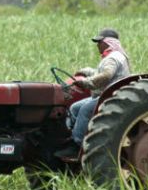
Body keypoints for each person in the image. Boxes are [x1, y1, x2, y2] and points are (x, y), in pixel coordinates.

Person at [55, 28, 131, 159]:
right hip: (106, 95)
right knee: (75, 107)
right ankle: (69, 137)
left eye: (99, 42)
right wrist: (86, 71)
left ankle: (76, 144)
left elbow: (106, 75)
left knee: (85, 110)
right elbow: (101, 72)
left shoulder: (113, 58)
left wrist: (86, 82)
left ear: (107, 42)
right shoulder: (113, 56)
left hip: (111, 96)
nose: (97, 45)